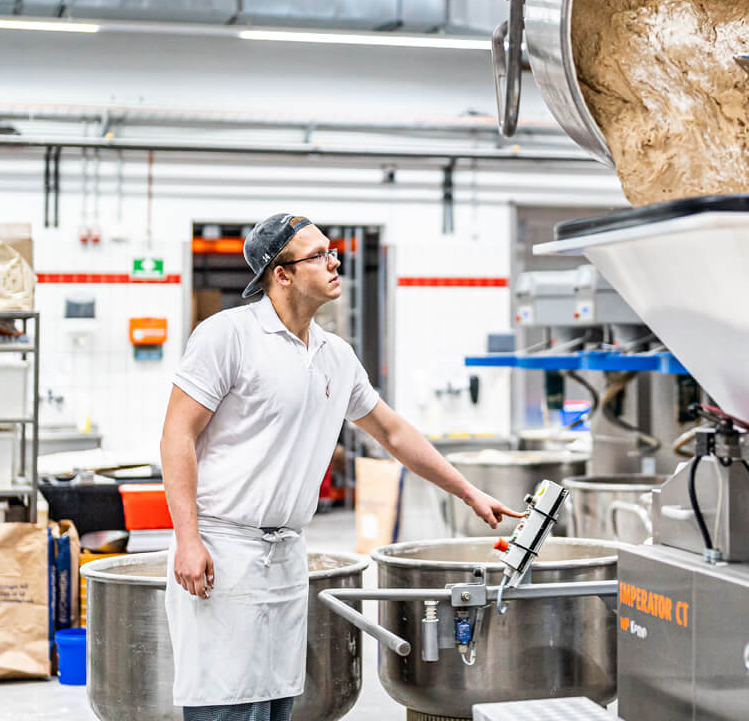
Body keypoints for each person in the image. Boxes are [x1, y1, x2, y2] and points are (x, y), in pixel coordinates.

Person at [160, 213, 523, 721]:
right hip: (225, 549)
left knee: (276, 705)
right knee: (226, 707)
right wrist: (188, 539)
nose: (334, 262)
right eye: (318, 255)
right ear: (280, 274)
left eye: (332, 251)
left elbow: (393, 432)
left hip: (286, 553)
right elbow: (177, 434)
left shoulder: (335, 355)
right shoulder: (228, 336)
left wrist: (468, 492)